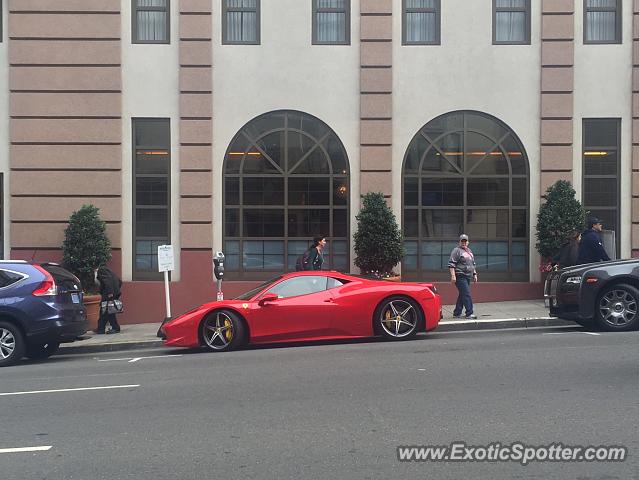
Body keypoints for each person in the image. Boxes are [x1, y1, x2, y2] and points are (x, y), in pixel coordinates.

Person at [448, 234, 478, 319]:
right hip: (460, 276)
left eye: (465, 241)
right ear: (459, 242)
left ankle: (457, 313)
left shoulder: (469, 251)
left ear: (468, 242)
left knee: (463, 294)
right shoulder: (456, 250)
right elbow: (451, 264)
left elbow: (473, 264)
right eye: (462, 241)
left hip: (468, 276)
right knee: (466, 294)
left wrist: (475, 274)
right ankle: (469, 313)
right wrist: (453, 276)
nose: (464, 243)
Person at [93, 266, 123, 334]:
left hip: (108, 293)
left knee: (107, 311)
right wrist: (116, 290)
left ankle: (114, 328)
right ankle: (100, 328)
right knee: (105, 311)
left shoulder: (101, 271)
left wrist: (110, 292)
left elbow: (107, 281)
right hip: (113, 292)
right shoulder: (110, 272)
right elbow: (120, 281)